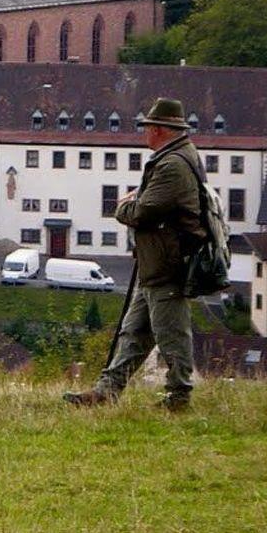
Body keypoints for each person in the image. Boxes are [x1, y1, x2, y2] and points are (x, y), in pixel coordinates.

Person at [65, 97, 202, 412]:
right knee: (134, 332)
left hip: (168, 264)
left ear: (158, 130)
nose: (145, 133)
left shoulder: (173, 165)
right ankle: (106, 391)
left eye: (147, 127)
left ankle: (179, 398)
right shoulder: (175, 157)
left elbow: (142, 212)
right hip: (156, 262)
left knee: (171, 334)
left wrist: (123, 205)